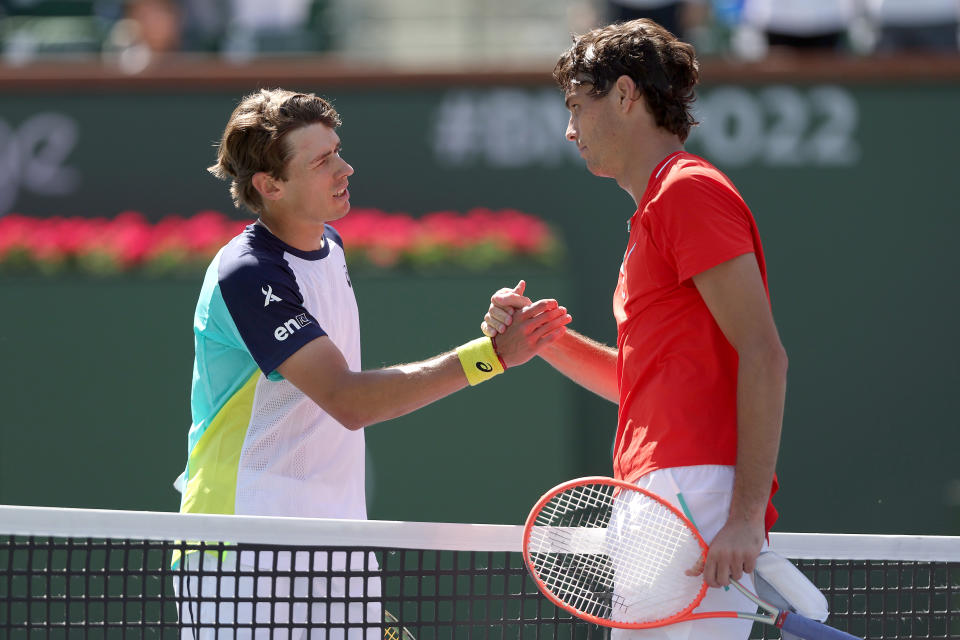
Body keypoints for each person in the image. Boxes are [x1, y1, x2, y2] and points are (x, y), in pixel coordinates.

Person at [172, 88, 571, 638]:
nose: (345, 168)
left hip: (335, 547)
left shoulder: (330, 247)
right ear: (270, 186)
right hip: (240, 547)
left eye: (337, 150)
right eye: (322, 161)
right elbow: (348, 399)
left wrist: (488, 341)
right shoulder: (246, 272)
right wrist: (489, 358)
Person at [482, 19, 788, 640]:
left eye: (576, 105)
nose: (569, 128)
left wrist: (745, 516)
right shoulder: (656, 208)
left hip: (691, 494)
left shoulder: (687, 193)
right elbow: (637, 383)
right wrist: (545, 337)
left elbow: (764, 354)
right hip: (659, 493)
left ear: (624, 95)